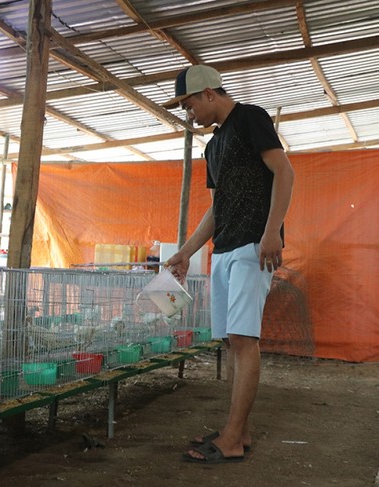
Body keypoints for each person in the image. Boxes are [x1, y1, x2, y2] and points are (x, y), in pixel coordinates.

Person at [162, 65, 294, 463]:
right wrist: (187, 250)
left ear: (208, 94)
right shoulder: (212, 147)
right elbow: (217, 208)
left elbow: (284, 173)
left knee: (243, 339)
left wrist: (272, 232)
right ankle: (240, 430)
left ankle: (233, 438)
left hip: (254, 246)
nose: (188, 114)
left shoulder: (250, 118)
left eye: (188, 105)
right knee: (231, 341)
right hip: (224, 249)